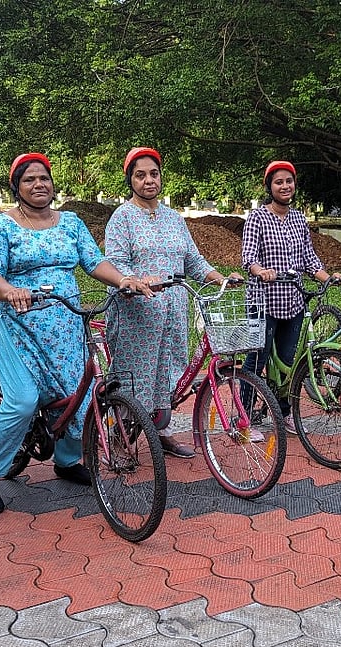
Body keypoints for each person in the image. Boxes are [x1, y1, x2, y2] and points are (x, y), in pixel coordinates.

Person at [0, 153, 151, 515]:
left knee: (81, 394)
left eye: (44, 178)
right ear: (16, 187)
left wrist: (123, 279)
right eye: (29, 179)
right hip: (18, 325)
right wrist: (10, 291)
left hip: (66, 325)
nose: (39, 184)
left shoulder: (70, 222)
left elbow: (94, 261)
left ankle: (67, 460)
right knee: (23, 401)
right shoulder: (0, 226)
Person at [104, 147, 234, 459]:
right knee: (135, 375)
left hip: (174, 310)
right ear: (130, 180)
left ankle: (161, 431)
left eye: (154, 174)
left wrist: (219, 277)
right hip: (137, 312)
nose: (148, 180)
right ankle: (120, 434)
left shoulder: (174, 219)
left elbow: (193, 260)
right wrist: (137, 280)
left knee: (168, 371)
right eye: (140, 175)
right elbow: (115, 263)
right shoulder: (122, 218)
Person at [242, 160, 341, 432]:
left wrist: (327, 277)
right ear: (269, 187)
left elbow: (309, 258)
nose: (285, 186)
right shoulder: (257, 217)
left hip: (293, 301)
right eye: (279, 182)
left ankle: (283, 413)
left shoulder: (299, 218)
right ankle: (244, 417)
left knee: (288, 361)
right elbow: (248, 257)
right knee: (257, 359)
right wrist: (261, 271)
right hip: (264, 301)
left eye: (289, 181)